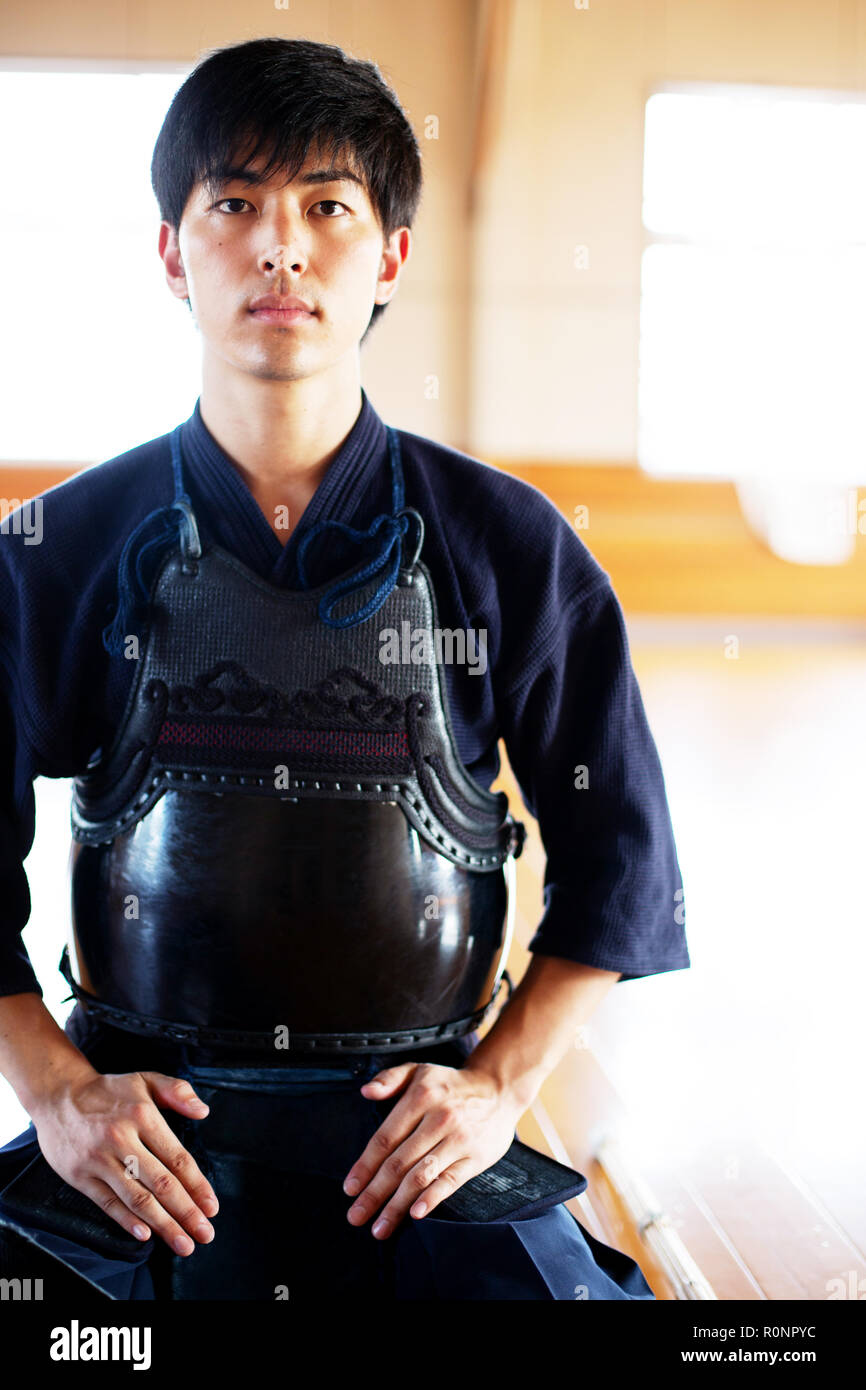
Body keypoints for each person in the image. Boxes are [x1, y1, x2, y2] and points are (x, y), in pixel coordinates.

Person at [0, 36, 689, 1301]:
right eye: (234, 205)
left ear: (389, 256)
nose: (280, 247)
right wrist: (57, 1094)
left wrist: (495, 1090)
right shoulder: (58, 551)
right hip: (137, 1136)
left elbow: (620, 866)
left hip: (417, 1135)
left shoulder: (508, 545)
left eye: (326, 206)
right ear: (172, 253)